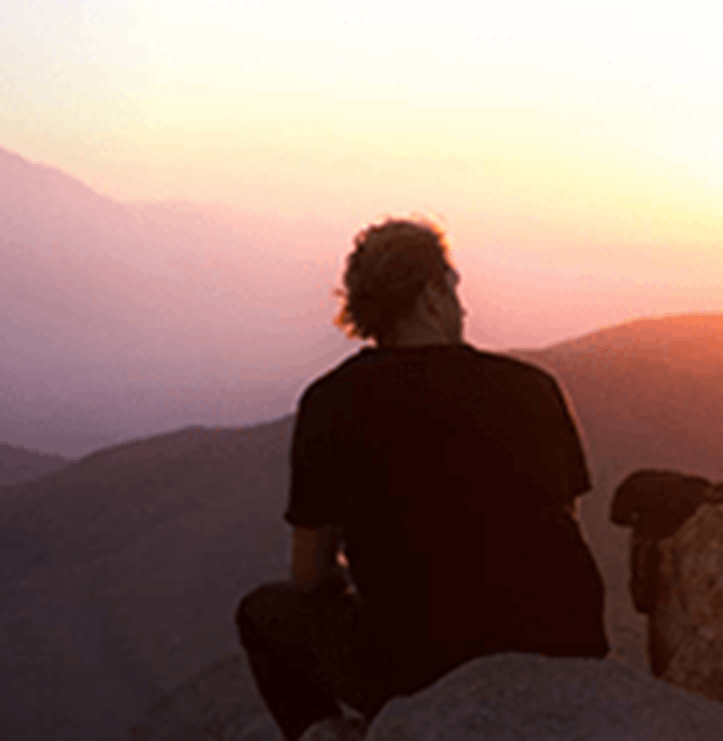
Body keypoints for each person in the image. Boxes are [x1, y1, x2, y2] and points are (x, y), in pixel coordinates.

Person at [236, 219, 607, 739]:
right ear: (432, 296)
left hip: (422, 669)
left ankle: (330, 733)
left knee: (261, 613)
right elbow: (562, 526)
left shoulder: (331, 403)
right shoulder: (532, 388)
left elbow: (308, 574)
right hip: (568, 646)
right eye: (454, 289)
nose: (464, 307)